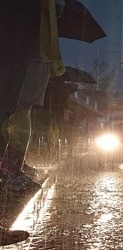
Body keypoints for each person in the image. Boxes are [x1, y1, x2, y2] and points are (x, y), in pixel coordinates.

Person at [0, 0, 65, 194]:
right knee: (17, 109)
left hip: (30, 49)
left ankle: (13, 165)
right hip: (27, 49)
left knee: (19, 109)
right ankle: (11, 168)